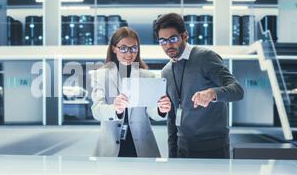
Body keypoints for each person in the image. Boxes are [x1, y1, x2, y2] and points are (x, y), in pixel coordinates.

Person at [154, 13, 244, 159]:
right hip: (182, 149)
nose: (168, 45)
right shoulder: (166, 72)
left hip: (214, 149)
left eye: (173, 39)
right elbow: (172, 118)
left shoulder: (205, 57)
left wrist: (212, 93)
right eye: (162, 41)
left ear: (185, 36)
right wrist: (172, 155)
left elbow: (237, 90)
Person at [91, 27, 171, 157]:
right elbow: (97, 111)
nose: (129, 53)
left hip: (141, 146)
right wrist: (115, 109)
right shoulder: (100, 76)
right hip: (110, 148)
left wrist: (161, 109)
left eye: (134, 48)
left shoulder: (147, 76)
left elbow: (151, 112)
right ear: (113, 49)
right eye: (123, 48)